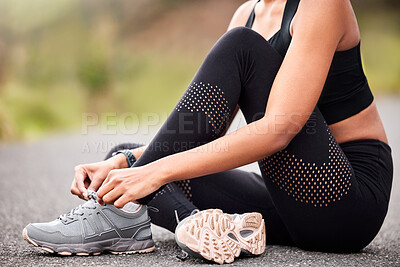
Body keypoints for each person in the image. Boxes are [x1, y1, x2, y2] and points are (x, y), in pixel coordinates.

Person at [23, 0, 393, 264]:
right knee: (123, 159)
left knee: (241, 47)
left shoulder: (322, 4)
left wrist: (151, 172)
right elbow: (206, 132)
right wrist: (130, 162)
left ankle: (126, 213)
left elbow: (279, 130)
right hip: (291, 202)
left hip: (346, 201)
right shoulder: (245, 13)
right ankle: (200, 225)